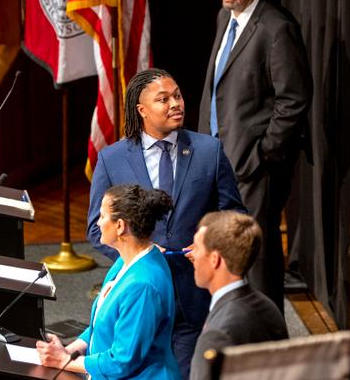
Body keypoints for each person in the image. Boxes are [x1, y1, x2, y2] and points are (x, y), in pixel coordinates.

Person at [86, 68, 245, 379]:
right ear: (142, 110)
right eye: (164, 99)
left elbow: (235, 214)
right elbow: (95, 228)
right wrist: (139, 254)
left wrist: (210, 243)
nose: (176, 103)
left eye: (178, 96)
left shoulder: (209, 151)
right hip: (140, 291)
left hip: (193, 289)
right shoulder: (112, 159)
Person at [198, 0, 313, 312]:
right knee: (223, 246)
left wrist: (265, 154)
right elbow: (219, 87)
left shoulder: (276, 28)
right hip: (218, 154)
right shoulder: (224, 17)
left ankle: (267, 338)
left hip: (254, 164)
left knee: (257, 256)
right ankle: (230, 324)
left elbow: (294, 99)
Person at [37, 185, 179, 378]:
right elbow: (101, 326)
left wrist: (64, 361)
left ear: (120, 226)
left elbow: (122, 361)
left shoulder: (142, 286)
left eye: (102, 216)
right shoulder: (124, 261)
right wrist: (68, 351)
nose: (97, 223)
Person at [187, 211, 288, 380]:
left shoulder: (217, 335)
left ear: (215, 259)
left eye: (196, 248)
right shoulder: (268, 306)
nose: (192, 255)